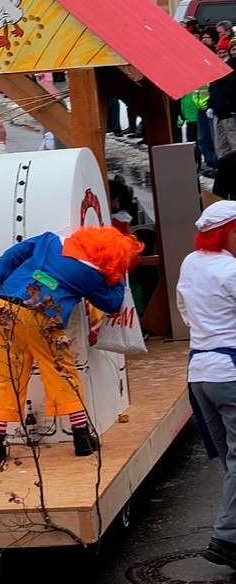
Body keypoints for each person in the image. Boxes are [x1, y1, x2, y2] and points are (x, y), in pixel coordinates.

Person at [0, 225, 142, 462]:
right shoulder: (90, 274)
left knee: (5, 373)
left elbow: (12, 254)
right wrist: (116, 275)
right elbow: (112, 303)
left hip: (7, 307)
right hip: (44, 316)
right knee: (60, 372)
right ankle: (81, 437)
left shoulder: (50, 241)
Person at [176, 200, 236, 570]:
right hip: (229, 373)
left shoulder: (190, 263)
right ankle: (226, 538)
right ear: (228, 231)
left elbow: (184, 310)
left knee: (230, 462)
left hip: (199, 373)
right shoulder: (230, 270)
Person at [209, 45, 236, 201]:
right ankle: (224, 174)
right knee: (221, 146)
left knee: (233, 147)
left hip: (230, 113)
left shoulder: (231, 68)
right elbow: (214, 90)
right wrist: (211, 105)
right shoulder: (219, 68)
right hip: (219, 113)